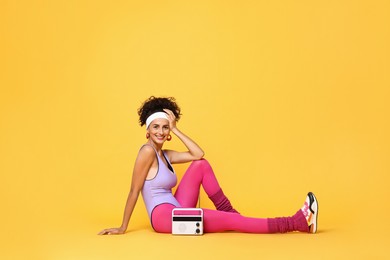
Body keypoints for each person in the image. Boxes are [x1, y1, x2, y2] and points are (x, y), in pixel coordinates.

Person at [98, 96, 319, 235]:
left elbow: (198, 154)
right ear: (147, 130)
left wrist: (175, 128)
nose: (160, 132)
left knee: (200, 165)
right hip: (164, 217)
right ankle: (297, 222)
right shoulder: (147, 152)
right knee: (231, 221)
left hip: (176, 206)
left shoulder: (164, 154)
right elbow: (134, 191)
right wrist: (122, 227)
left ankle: (233, 215)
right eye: (156, 127)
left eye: (165, 128)